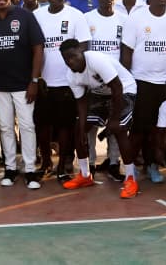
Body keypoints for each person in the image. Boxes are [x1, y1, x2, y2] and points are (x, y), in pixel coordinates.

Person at [0, 0, 45, 189]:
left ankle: (30, 169)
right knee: (5, 127)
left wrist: (34, 81)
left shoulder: (25, 16)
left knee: (27, 126)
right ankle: (10, 168)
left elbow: (38, 48)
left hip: (23, 84)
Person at [121, 0, 166, 184]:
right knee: (139, 129)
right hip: (141, 81)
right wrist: (127, 81)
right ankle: (130, 170)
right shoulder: (137, 18)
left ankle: (152, 166)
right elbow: (126, 52)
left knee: (158, 131)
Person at [59, 40, 139, 198]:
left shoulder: (96, 60)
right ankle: (85, 174)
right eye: (66, 59)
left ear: (81, 52)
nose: (70, 61)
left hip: (124, 89)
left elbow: (117, 87)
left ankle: (131, 179)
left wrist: (114, 119)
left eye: (73, 56)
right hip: (100, 94)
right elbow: (81, 102)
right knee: (78, 130)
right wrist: (82, 128)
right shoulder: (71, 76)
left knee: (119, 129)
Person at [34, 0, 91, 181]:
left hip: (68, 82)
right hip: (45, 82)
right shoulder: (37, 15)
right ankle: (46, 162)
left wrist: (74, 70)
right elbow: (34, 47)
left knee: (66, 125)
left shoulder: (75, 16)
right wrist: (35, 77)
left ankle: (62, 165)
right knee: (43, 125)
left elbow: (84, 45)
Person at [84, 0, 126, 175]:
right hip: (93, 82)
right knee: (91, 124)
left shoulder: (123, 19)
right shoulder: (87, 19)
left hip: (115, 82)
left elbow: (126, 51)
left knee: (115, 122)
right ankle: (91, 162)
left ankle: (113, 162)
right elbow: (83, 51)